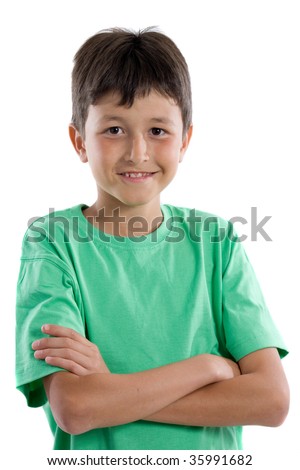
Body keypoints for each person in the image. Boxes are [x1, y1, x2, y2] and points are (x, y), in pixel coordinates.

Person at [15, 27, 289, 451]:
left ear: (186, 140)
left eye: (158, 130)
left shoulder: (215, 241)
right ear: (78, 140)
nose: (138, 152)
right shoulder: (52, 242)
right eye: (114, 130)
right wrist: (207, 367)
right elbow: (77, 408)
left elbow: (271, 401)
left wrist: (112, 390)